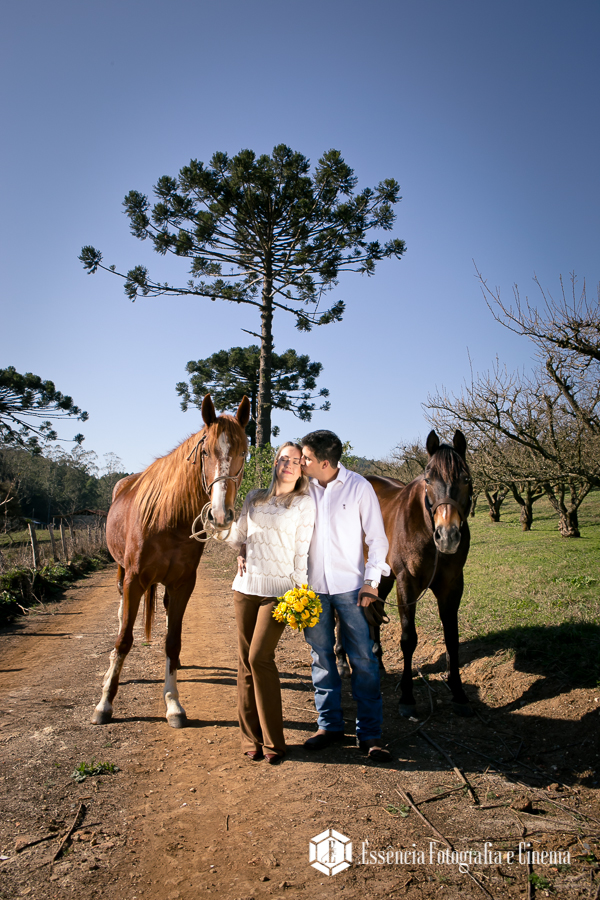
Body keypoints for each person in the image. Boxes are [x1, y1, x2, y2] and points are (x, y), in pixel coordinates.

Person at [300, 430, 392, 762]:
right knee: (321, 658)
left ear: (324, 462)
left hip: (353, 590)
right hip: (312, 591)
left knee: (364, 661)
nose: (302, 462)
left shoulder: (358, 488)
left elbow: (378, 539)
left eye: (307, 458)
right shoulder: (302, 488)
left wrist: (372, 582)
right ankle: (329, 726)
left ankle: (369, 735)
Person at [229, 442, 315, 764]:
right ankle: (249, 739)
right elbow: (236, 537)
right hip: (245, 587)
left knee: (259, 657)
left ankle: (275, 743)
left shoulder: (303, 505)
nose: (289, 464)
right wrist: (216, 522)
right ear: (275, 463)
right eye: (284, 459)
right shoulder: (254, 497)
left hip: (278, 593)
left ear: (301, 468)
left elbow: (301, 553)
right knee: (243, 662)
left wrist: (300, 593)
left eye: (296, 461)